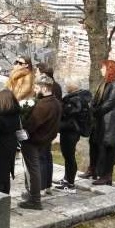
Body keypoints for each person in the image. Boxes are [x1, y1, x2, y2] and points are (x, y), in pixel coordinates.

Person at [19, 74, 62, 210]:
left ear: (44, 88)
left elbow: (31, 124)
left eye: (37, 87)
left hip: (33, 141)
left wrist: (22, 127)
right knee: (35, 168)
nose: (35, 90)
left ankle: (35, 200)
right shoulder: (56, 103)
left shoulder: (43, 105)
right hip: (45, 140)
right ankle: (33, 194)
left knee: (33, 169)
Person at [84, 60, 115, 186]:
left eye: (103, 68)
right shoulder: (105, 83)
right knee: (94, 144)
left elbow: (110, 103)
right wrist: (92, 107)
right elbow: (97, 99)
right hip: (100, 120)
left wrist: (96, 111)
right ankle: (92, 170)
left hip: (110, 122)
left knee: (107, 148)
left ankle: (106, 175)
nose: (101, 70)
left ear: (109, 69)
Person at [55, 82, 92, 190]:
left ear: (72, 87)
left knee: (69, 157)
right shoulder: (77, 98)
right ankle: (67, 178)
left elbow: (68, 113)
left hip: (71, 131)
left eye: (67, 84)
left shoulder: (75, 99)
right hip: (70, 131)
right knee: (68, 157)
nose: (66, 86)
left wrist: (62, 108)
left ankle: (70, 182)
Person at [34, 63, 62, 193]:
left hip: (43, 131)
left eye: (37, 72)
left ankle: (41, 186)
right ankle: (47, 185)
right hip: (51, 130)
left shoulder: (47, 96)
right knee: (47, 157)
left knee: (41, 158)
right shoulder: (57, 88)